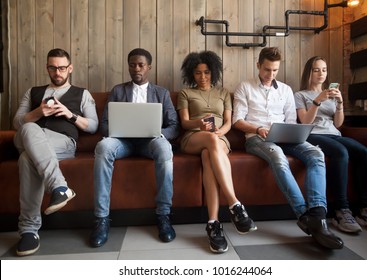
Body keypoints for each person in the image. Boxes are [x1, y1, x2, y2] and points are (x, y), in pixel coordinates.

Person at [233, 47, 344, 249]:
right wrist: (258, 129)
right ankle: (304, 215)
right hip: (257, 138)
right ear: (258, 66)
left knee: (316, 153)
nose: (271, 74)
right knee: (279, 158)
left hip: (286, 137)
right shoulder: (244, 87)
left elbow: (292, 120)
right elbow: (238, 121)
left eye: (275, 70)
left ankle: (318, 215)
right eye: (267, 69)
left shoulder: (285, 90)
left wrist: (291, 133)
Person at [12, 48, 99, 256]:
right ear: (47, 68)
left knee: (26, 159)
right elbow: (16, 123)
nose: (57, 72)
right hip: (29, 137)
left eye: (61, 68)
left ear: (70, 68)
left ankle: (29, 231)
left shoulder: (82, 93)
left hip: (63, 142)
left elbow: (94, 126)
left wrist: (70, 115)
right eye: (53, 68)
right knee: (29, 128)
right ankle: (59, 187)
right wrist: (37, 113)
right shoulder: (32, 92)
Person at [90, 48, 180, 247]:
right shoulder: (118, 91)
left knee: (165, 149)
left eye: (140, 65)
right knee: (103, 147)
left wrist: (159, 133)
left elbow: (174, 126)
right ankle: (101, 218)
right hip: (123, 142)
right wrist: (116, 130)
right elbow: (103, 124)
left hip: (151, 143)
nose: (136, 68)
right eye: (132, 64)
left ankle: (164, 215)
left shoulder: (161, 93)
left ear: (149, 67)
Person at [295, 56, 367, 234]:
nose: (321, 73)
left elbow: (338, 124)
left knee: (363, 152)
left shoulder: (331, 94)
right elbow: (305, 121)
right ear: (309, 72)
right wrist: (318, 100)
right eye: (316, 70)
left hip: (334, 134)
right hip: (313, 135)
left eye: (324, 69)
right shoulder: (300, 95)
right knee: (341, 152)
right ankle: (341, 210)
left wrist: (340, 104)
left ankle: (365, 209)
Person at [177, 51, 257, 253]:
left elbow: (229, 122)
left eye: (206, 72)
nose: (202, 77)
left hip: (219, 137)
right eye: (197, 73)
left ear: (213, 72)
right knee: (210, 142)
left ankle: (213, 223)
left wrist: (219, 132)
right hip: (194, 137)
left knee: (208, 155)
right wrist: (200, 124)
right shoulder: (186, 93)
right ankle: (234, 204)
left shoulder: (223, 93)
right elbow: (185, 123)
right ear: (191, 74)